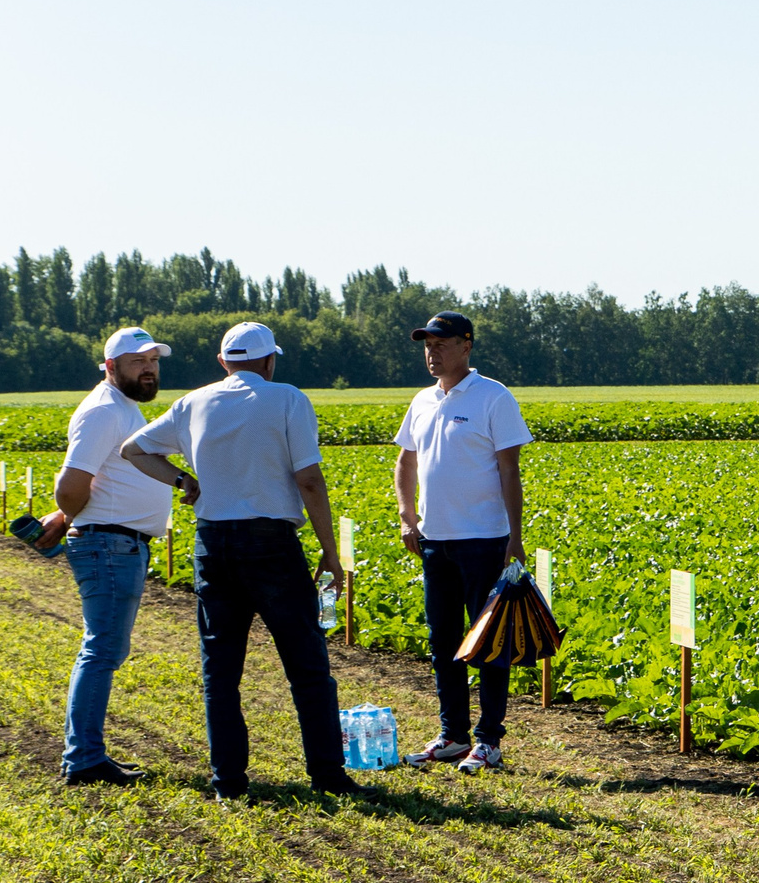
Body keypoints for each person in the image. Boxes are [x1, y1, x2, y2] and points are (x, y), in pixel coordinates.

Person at [121, 320, 365, 800]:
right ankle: (328, 775)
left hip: (212, 546)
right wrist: (330, 553)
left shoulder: (192, 402)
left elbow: (134, 450)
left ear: (223, 362)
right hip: (271, 545)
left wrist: (181, 481)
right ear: (270, 360)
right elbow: (310, 480)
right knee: (307, 665)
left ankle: (227, 781)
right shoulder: (288, 398)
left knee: (222, 671)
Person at [394, 311, 532, 775]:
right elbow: (405, 463)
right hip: (435, 542)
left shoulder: (493, 396)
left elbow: (509, 470)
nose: (432, 353)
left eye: (442, 344)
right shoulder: (422, 400)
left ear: (466, 347)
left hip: (484, 540)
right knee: (443, 640)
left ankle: (488, 740)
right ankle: (452, 735)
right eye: (427, 345)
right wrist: (407, 516)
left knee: (488, 642)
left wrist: (515, 537)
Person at [45, 326, 179, 786]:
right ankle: (82, 758)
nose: (148, 369)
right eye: (137, 361)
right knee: (101, 650)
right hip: (109, 544)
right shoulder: (104, 411)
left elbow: (97, 480)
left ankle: (84, 753)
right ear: (110, 367)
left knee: (104, 649)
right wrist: (69, 513)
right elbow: (71, 485)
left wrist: (65, 518)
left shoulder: (122, 409)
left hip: (116, 542)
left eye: (154, 361)